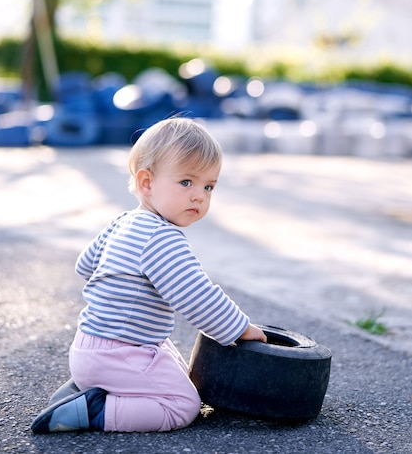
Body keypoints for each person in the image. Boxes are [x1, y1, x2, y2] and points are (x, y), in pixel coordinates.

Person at [31, 117, 267, 434]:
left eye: (208, 186)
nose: (199, 195)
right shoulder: (162, 238)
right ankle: (96, 410)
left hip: (90, 347)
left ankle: (89, 388)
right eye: (187, 182)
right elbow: (196, 296)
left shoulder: (122, 222)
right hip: (117, 354)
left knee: (175, 362)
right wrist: (239, 328)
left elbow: (85, 266)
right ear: (146, 183)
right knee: (183, 405)